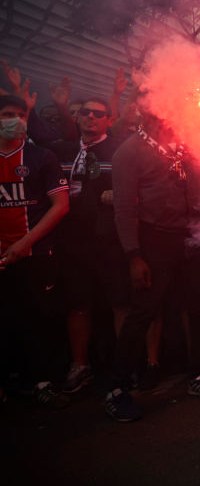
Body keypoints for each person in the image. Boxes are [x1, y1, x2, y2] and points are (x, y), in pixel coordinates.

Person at [105, 109, 200, 422]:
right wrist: (134, 255)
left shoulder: (189, 145)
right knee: (144, 311)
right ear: (145, 114)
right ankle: (117, 388)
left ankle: (199, 374)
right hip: (155, 240)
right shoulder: (129, 151)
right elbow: (124, 209)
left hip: (193, 236)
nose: (166, 116)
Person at [50, 98, 128, 393]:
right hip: (73, 242)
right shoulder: (62, 150)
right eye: (86, 113)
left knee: (120, 301)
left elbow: (135, 185)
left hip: (110, 240)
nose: (91, 118)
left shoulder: (120, 149)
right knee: (78, 304)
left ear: (109, 119)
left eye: (99, 114)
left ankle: (124, 365)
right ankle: (80, 365)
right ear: (78, 117)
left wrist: (117, 193)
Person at [0, 94, 70, 408]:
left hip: (36, 254)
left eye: (20, 114)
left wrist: (24, 244)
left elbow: (60, 206)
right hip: (2, 257)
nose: (14, 119)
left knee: (41, 318)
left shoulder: (42, 157)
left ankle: (44, 381)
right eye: (6, 114)